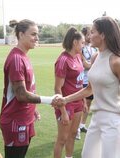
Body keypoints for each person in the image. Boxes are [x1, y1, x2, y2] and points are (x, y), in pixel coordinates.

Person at [53, 16, 120, 158]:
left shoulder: (116, 61)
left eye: (93, 31)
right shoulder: (96, 57)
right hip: (96, 119)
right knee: (87, 155)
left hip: (113, 120)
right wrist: (65, 100)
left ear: (102, 35)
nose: (89, 36)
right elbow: (89, 89)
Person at [0, 19, 57, 158]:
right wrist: (51, 100)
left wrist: (33, 109)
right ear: (21, 34)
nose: (37, 38)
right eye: (33, 34)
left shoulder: (23, 56)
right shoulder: (17, 59)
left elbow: (27, 89)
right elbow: (21, 95)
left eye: (37, 34)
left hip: (25, 117)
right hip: (15, 120)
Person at [54, 27, 85, 158]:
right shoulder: (63, 60)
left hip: (78, 103)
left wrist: (83, 100)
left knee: (72, 135)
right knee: (62, 139)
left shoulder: (78, 56)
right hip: (66, 104)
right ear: (74, 42)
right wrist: (63, 111)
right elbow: (57, 88)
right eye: (82, 43)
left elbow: (80, 81)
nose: (84, 45)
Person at [76, 26, 98, 140]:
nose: (91, 36)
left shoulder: (94, 49)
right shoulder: (81, 49)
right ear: (84, 35)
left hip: (92, 80)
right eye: (89, 34)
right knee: (82, 105)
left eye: (92, 33)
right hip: (83, 80)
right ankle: (76, 129)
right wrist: (94, 65)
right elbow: (86, 65)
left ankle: (82, 125)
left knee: (88, 104)